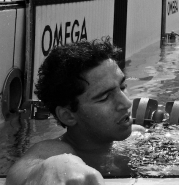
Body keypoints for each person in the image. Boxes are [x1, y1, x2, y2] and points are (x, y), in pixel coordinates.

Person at [6, 38, 143, 185]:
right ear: (68, 116)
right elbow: (19, 174)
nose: (126, 103)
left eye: (122, 87)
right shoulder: (57, 149)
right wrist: (57, 165)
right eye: (104, 98)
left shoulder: (137, 137)